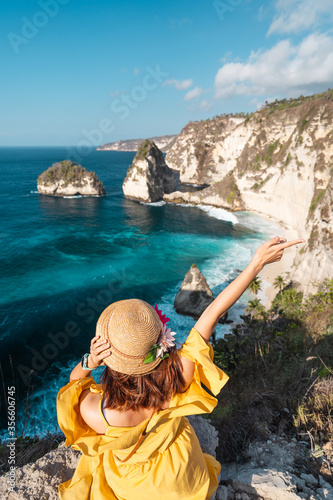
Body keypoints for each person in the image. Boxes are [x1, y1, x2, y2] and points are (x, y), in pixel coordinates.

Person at [56, 235, 305, 499]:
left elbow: (73, 383)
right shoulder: (177, 375)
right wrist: (257, 263)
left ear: (110, 359)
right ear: (160, 342)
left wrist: (91, 361)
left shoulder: (98, 412)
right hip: (184, 474)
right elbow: (211, 313)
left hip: (136, 487)